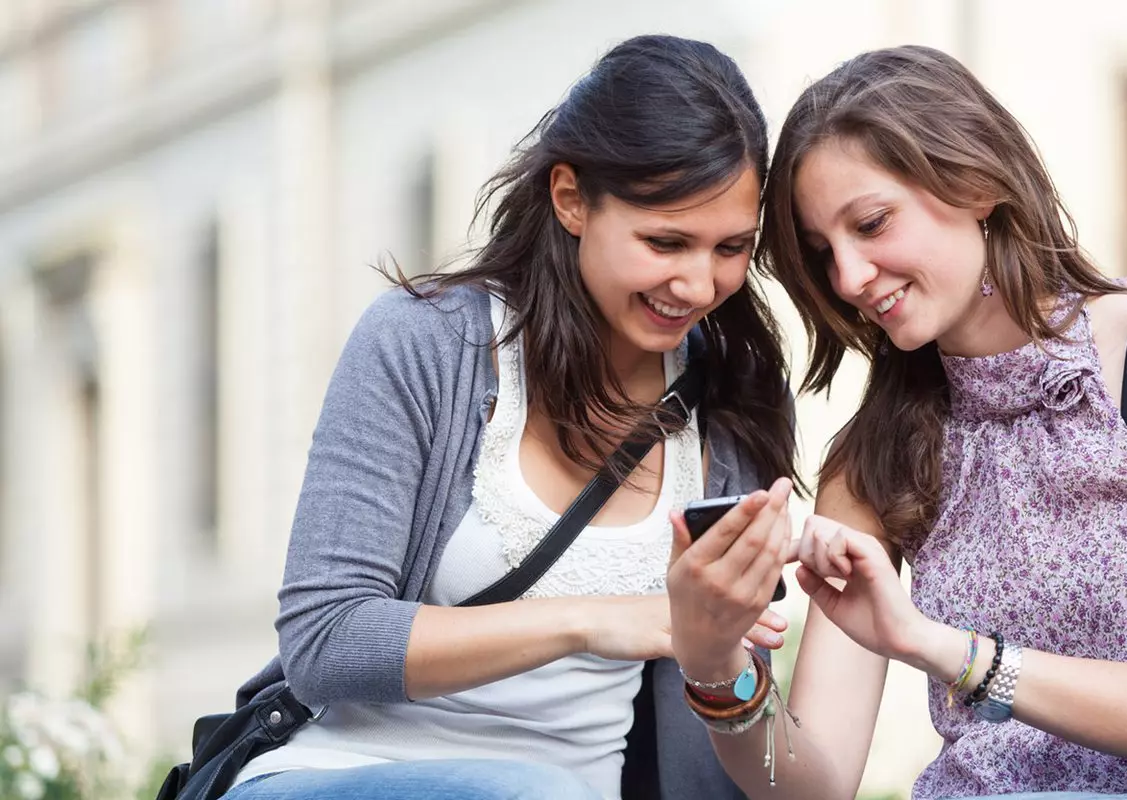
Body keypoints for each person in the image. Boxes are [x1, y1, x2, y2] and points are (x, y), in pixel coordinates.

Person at [671, 45, 1127, 800]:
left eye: (871, 223)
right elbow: (815, 786)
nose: (847, 278)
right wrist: (715, 668)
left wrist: (934, 646)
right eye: (822, 254)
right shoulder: (876, 458)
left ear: (975, 183)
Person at [218, 34, 798, 800]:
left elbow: (752, 746)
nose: (698, 282)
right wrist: (590, 621)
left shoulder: (733, 397)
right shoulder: (427, 344)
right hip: (339, 776)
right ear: (570, 199)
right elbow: (325, 638)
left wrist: (721, 657)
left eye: (731, 248)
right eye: (666, 241)